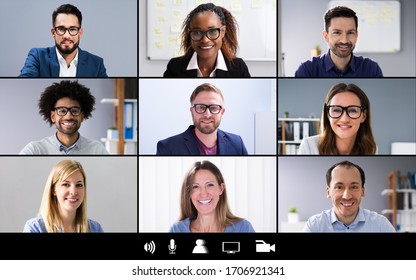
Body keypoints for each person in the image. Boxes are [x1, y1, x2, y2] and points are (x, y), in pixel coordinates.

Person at [19, 80, 109, 155]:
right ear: (53, 116)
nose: (68, 116)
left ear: (82, 116)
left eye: (74, 111)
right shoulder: (35, 150)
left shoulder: (97, 150)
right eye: (62, 111)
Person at [303, 161, 396, 232]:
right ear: (328, 192)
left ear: (363, 191)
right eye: (339, 187)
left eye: (354, 187)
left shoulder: (381, 225)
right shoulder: (314, 226)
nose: (347, 196)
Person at [156, 83, 248, 155]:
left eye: (214, 108)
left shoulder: (237, 143)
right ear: (192, 111)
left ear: (222, 112)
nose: (207, 115)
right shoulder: (167, 147)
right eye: (200, 107)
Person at [163, 2, 250, 77]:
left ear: (223, 32)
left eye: (212, 32)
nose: (205, 40)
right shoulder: (174, 67)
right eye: (197, 32)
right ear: (190, 34)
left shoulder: (238, 68)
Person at [19, 4, 107, 77]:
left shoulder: (96, 64)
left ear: (80, 33)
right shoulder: (38, 56)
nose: (66, 35)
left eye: (72, 29)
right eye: (61, 29)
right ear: (53, 32)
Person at [295, 6, 383, 77]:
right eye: (337, 32)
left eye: (350, 32)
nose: (344, 40)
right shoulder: (307, 70)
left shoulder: (371, 69)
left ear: (356, 36)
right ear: (326, 36)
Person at [170, 160, 255, 232]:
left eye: (210, 185)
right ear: (189, 193)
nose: (203, 193)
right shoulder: (177, 230)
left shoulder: (243, 228)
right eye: (195, 186)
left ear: (221, 189)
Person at [23, 160, 104, 233]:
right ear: (53, 190)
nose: (73, 192)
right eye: (65, 184)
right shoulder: (35, 228)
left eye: (79, 185)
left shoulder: (95, 229)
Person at [298, 83, 377, 155]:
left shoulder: (372, 149)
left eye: (352, 110)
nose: (344, 119)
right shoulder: (308, 146)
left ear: (363, 116)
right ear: (328, 115)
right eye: (336, 110)